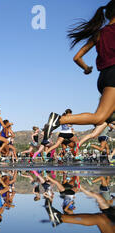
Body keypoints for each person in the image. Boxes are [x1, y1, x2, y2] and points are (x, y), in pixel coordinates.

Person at [43, 1, 115, 138]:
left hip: (104, 78)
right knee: (99, 117)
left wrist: (87, 68)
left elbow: (77, 57)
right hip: (113, 77)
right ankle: (60, 119)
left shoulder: (99, 33)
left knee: (104, 117)